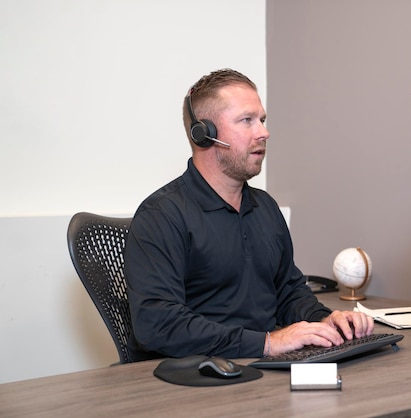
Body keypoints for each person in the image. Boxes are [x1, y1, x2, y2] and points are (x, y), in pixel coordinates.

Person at [124, 68, 374, 362]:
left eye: (262, 120)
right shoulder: (161, 215)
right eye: (247, 121)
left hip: (262, 367)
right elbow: (159, 325)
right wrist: (266, 343)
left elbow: (288, 291)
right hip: (195, 377)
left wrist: (324, 321)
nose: (264, 132)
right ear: (205, 134)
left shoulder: (265, 207)